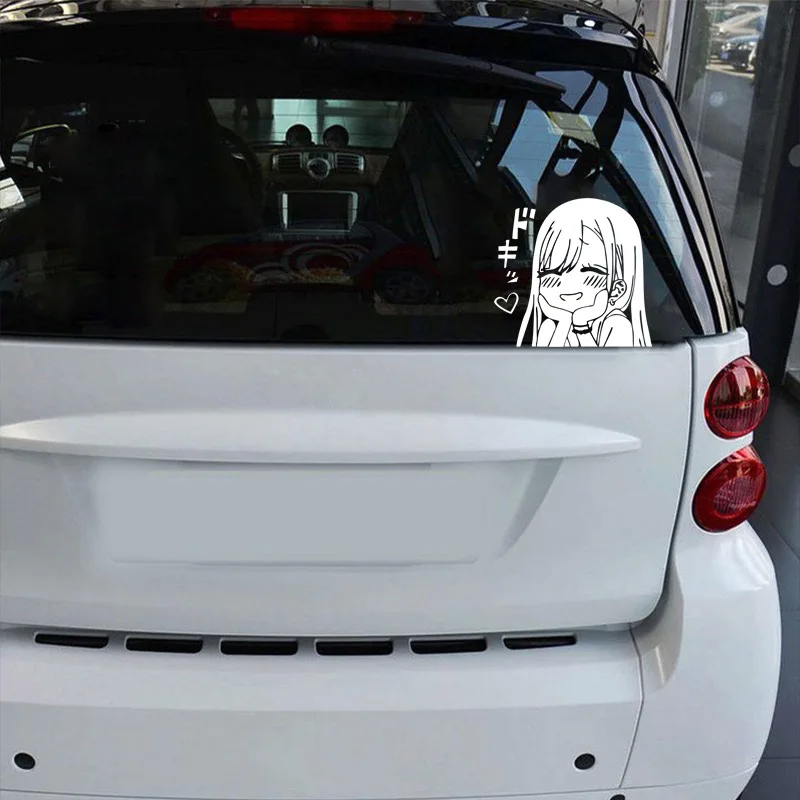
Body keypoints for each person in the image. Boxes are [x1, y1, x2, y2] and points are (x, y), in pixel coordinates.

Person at [516, 197, 651, 348]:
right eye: (552, 279)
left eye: (590, 278)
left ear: (617, 289)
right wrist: (565, 321)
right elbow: (547, 359)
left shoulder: (617, 324)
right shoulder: (549, 326)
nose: (568, 291)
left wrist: (581, 326)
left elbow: (601, 362)